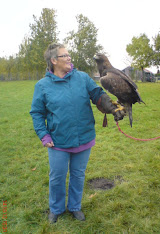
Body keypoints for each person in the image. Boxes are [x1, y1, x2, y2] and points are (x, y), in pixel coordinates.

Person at [30, 43, 125, 224]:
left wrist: (111, 107)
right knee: (57, 176)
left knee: (78, 175)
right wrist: (44, 135)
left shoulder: (82, 78)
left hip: (84, 136)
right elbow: (36, 112)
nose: (69, 58)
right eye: (64, 55)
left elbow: (97, 94)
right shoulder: (42, 86)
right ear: (53, 60)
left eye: (68, 54)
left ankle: (75, 207)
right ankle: (56, 209)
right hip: (58, 141)